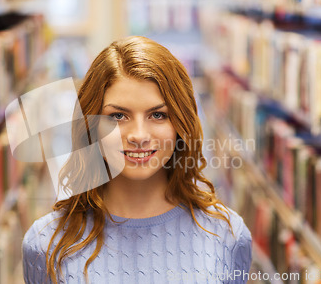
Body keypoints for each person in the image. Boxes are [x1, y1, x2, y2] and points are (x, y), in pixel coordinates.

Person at [22, 36, 252, 284]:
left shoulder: (228, 235)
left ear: (181, 124)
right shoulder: (45, 244)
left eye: (158, 115)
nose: (139, 136)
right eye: (118, 115)